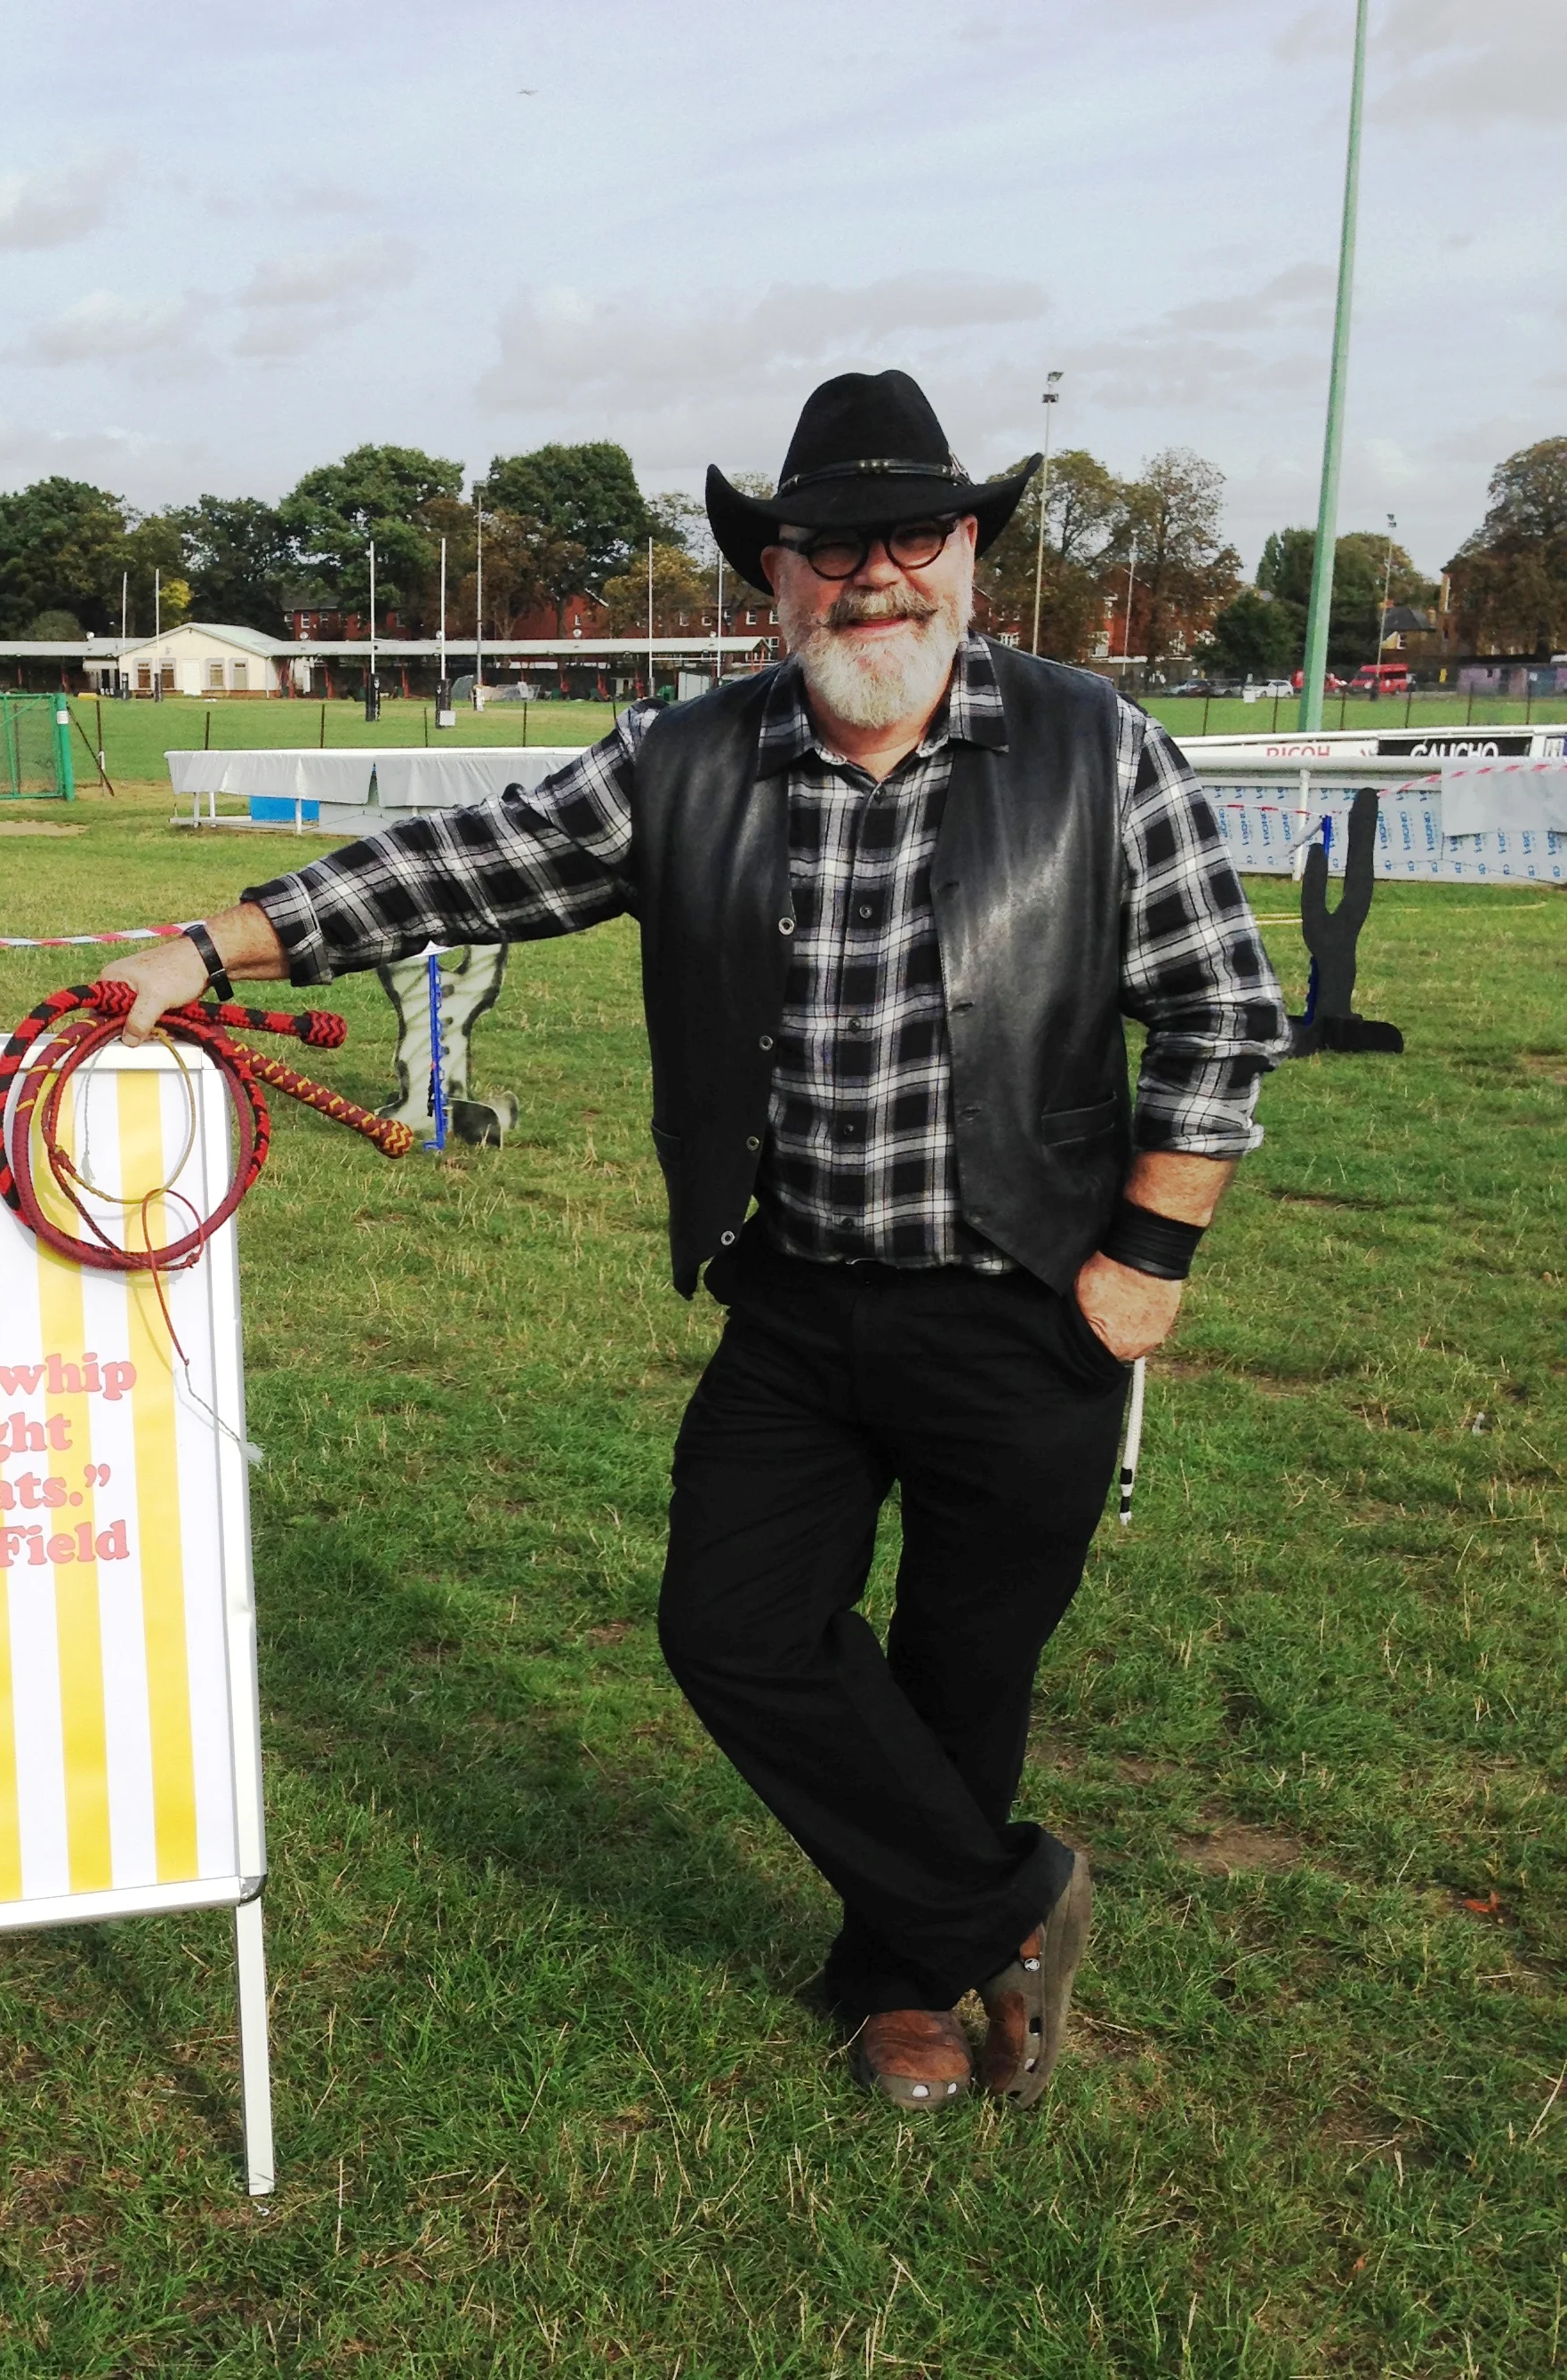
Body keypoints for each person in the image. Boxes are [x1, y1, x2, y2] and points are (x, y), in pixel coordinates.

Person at [103, 372, 1290, 2111]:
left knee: (963, 1671)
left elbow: (1219, 1009)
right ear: (777, 574)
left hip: (1034, 1306)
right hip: (798, 1305)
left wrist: (1153, 1257)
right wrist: (217, 949)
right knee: (732, 1627)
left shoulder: (1102, 749)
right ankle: (1009, 1907)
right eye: (829, 544)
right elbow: (466, 865)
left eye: (909, 535)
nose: (871, 575)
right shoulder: (688, 761)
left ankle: (906, 1993)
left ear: (967, 552)